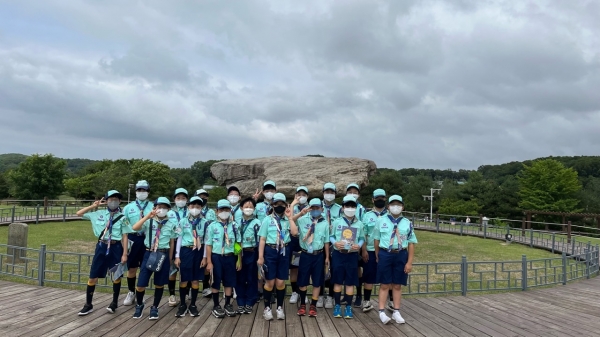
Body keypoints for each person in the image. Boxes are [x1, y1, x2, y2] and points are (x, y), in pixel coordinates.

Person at [75, 190, 130, 316]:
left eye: (116, 199)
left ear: (120, 201)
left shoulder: (122, 217)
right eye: (110, 199)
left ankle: (114, 303)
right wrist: (94, 206)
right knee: (93, 276)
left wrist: (125, 254)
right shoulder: (97, 213)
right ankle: (88, 304)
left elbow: (125, 236)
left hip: (116, 247)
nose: (113, 202)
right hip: (101, 246)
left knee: (116, 275)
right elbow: (79, 213)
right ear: (105, 201)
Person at [130, 197, 179, 320]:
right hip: (149, 253)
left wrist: (170, 258)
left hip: (163, 254)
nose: (161, 209)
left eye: (164, 207)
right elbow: (134, 228)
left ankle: (155, 307)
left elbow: (172, 242)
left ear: (168, 209)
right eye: (159, 207)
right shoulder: (149, 221)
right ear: (155, 208)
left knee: (159, 284)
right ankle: (140, 305)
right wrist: (147, 216)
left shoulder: (172, 224)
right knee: (141, 284)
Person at [373, 195, 417, 325]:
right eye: (393, 204)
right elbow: (376, 239)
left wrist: (409, 262)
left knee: (397, 284)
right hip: (385, 253)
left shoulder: (407, 222)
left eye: (398, 204)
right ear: (388, 206)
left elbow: (411, 243)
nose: (395, 207)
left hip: (400, 254)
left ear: (402, 207)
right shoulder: (381, 220)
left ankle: (396, 311)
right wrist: (378, 255)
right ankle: (381, 311)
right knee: (384, 284)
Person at [257, 193, 296, 321]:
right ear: (273, 205)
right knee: (270, 281)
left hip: (284, 251)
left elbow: (295, 233)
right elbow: (262, 239)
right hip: (270, 251)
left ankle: (279, 308)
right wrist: (261, 257)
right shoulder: (267, 220)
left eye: (282, 204)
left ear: (285, 205)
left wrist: (290, 218)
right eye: (277, 204)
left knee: (280, 282)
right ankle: (267, 308)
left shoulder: (287, 219)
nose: (279, 206)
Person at [290, 198, 329, 317]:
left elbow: (326, 241)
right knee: (302, 281)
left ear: (322, 209)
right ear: (309, 208)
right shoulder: (302, 220)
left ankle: (313, 305)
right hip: (305, 254)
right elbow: (290, 220)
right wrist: (300, 212)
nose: (315, 210)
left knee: (317, 281)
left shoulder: (325, 223)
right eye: (313, 208)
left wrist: (327, 257)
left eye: (318, 208)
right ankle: (302, 304)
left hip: (319, 254)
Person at [329, 195, 365, 319]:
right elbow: (331, 236)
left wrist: (358, 245)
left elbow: (361, 238)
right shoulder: (337, 221)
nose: (350, 208)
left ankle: (348, 307)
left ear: (356, 208)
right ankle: (337, 306)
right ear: (343, 207)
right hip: (339, 254)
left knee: (350, 282)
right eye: (347, 206)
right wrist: (335, 243)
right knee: (338, 281)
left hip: (352, 255)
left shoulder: (359, 223)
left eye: (352, 206)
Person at [205, 199, 241, 318]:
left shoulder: (235, 226)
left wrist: (239, 259)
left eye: (226, 209)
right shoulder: (212, 226)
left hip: (230, 257)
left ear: (230, 211)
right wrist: (209, 261)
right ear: (217, 211)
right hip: (216, 257)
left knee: (229, 281)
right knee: (215, 281)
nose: (224, 212)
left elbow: (238, 243)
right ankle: (216, 305)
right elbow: (209, 245)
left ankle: (227, 304)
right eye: (221, 210)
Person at [122, 180, 154, 306]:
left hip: (147, 239)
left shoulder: (153, 206)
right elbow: (123, 227)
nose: (142, 192)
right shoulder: (128, 208)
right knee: (132, 268)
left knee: (145, 268)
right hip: (133, 238)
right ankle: (131, 292)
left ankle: (141, 291)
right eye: (139, 190)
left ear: (148, 191)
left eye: (144, 190)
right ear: (135, 191)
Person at [174, 196, 206, 318]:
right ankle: (182, 304)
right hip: (185, 251)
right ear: (188, 207)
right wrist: (177, 256)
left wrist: (204, 257)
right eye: (192, 206)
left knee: (195, 279)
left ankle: (193, 305)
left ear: (201, 208)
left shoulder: (204, 222)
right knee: (184, 279)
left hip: (199, 251)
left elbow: (206, 240)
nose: (195, 209)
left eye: (198, 207)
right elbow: (179, 239)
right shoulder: (183, 221)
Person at [359, 188, 387, 312]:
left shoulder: (390, 215)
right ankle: (367, 301)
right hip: (369, 249)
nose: (380, 200)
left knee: (387, 276)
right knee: (368, 275)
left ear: (385, 199)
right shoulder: (367, 215)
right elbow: (363, 234)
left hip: (386, 250)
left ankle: (389, 301)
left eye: (382, 198)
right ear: (373, 199)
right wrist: (363, 250)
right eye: (377, 198)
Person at [234, 197, 262, 314]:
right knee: (239, 278)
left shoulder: (257, 222)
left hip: (252, 252)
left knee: (251, 278)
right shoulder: (236, 223)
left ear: (254, 209)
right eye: (246, 207)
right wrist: (238, 256)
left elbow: (261, 239)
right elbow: (235, 240)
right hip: (240, 252)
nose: (248, 209)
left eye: (251, 207)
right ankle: (240, 302)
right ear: (241, 208)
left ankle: (250, 302)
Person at [318, 182, 341, 309]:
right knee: (319, 270)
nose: (329, 194)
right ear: (323, 193)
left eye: (332, 192)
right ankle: (320, 295)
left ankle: (331, 296)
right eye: (327, 192)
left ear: (335, 194)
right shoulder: (317, 207)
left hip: (335, 243)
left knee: (334, 269)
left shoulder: (339, 208)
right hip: (319, 243)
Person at [345, 183, 366, 307]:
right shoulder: (344, 207)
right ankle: (346, 296)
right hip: (343, 244)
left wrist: (362, 248)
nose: (353, 194)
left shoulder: (361, 209)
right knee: (344, 269)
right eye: (350, 191)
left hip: (356, 244)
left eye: (355, 192)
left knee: (357, 269)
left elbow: (363, 230)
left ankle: (358, 295)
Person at [168, 187, 189, 307]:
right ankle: (171, 294)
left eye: (183, 198)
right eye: (178, 198)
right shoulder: (170, 213)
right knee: (172, 269)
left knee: (185, 268)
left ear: (187, 199)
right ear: (174, 199)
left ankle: (185, 293)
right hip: (173, 241)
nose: (181, 200)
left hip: (186, 243)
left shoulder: (190, 211)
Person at [288, 185, 309, 304]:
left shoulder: (311, 207)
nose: (301, 197)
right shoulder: (291, 207)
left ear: (308, 196)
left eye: (304, 195)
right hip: (294, 240)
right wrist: (293, 205)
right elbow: (289, 219)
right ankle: (294, 292)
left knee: (304, 268)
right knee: (294, 267)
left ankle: (303, 293)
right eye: (299, 194)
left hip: (306, 241)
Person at [195, 188, 216, 298]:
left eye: (205, 196)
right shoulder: (192, 210)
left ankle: (206, 287)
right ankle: (191, 288)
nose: (203, 198)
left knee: (207, 265)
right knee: (193, 265)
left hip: (206, 242)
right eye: (200, 196)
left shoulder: (211, 212)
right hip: (193, 243)